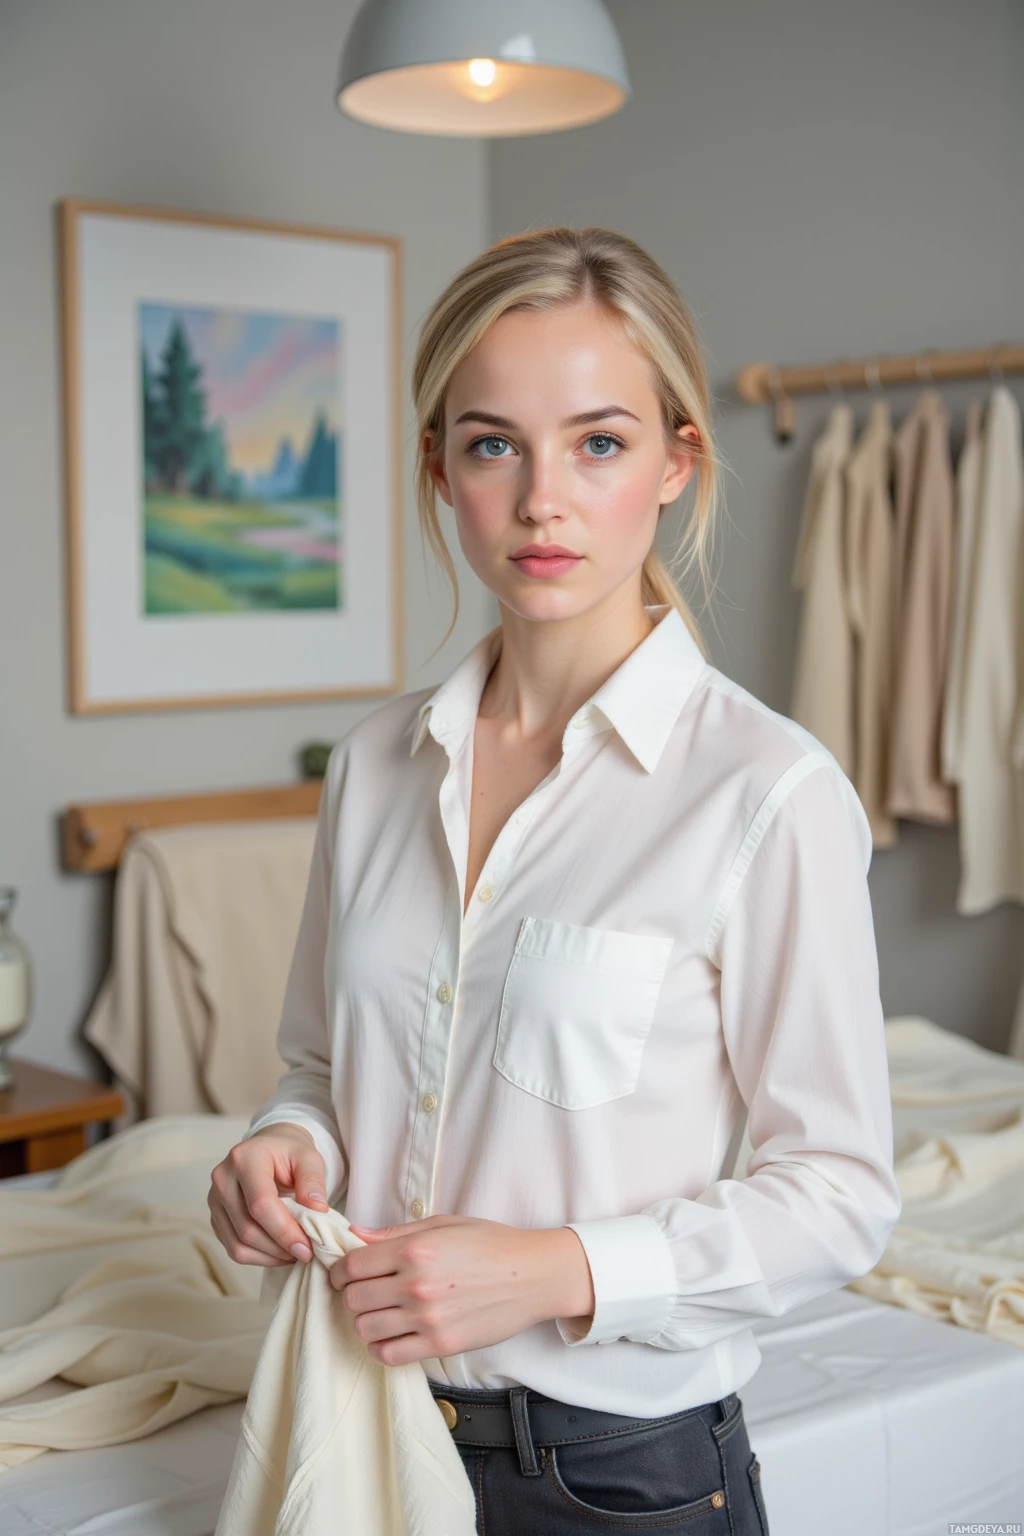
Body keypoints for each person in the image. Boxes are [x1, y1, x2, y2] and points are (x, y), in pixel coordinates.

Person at [207, 226, 902, 1535]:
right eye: (492, 444)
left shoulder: (767, 792)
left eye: (598, 441)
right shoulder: (372, 767)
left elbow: (841, 1196)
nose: (542, 498)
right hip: (355, 1424)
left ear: (676, 463)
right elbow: (317, 1066)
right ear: (438, 468)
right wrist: (279, 1148)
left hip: (616, 1479)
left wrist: (554, 1272)